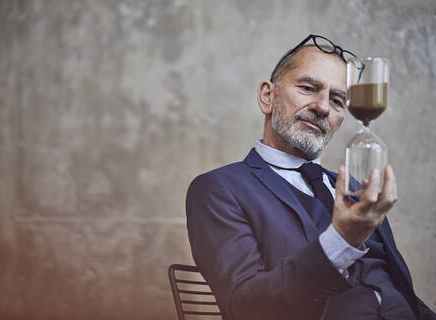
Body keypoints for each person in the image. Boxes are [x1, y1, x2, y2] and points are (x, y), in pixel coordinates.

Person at [186, 34, 436, 320]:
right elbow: (245, 306)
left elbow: (398, 292)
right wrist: (343, 239)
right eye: (308, 88)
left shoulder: (357, 190)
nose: (323, 107)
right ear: (268, 96)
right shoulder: (219, 189)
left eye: (338, 100)